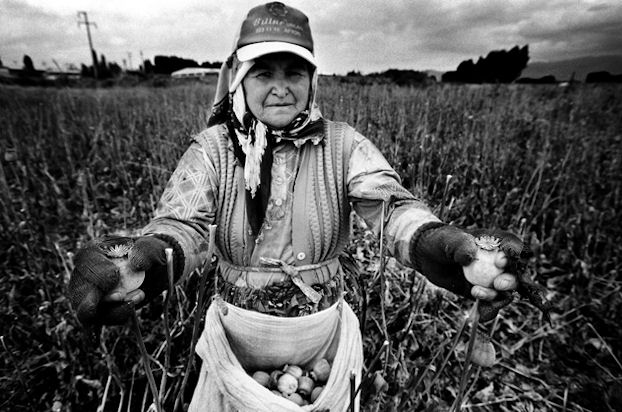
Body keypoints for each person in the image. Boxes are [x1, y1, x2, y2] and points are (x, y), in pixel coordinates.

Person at [68, 1, 525, 409]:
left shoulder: (344, 145)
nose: (281, 88)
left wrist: (435, 243)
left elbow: (389, 208)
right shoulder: (212, 149)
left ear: (312, 79)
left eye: (294, 72)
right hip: (238, 332)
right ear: (240, 79)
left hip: (319, 336)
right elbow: (184, 223)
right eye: (264, 73)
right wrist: (145, 259)